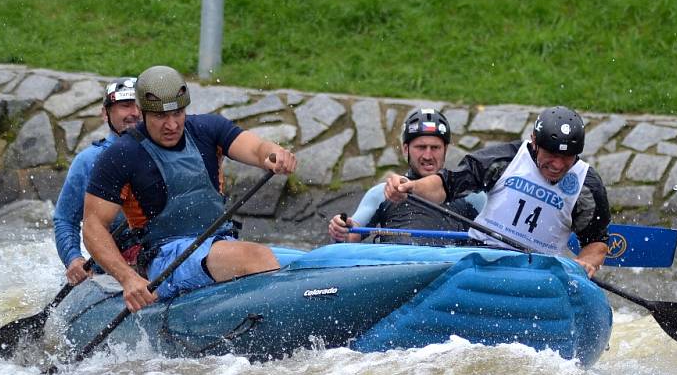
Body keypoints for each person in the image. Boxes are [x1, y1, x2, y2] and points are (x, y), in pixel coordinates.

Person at [83, 65, 297, 312]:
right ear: (141, 112)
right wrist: (128, 278)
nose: (172, 125)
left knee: (307, 263)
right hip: (165, 258)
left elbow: (257, 149)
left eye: (178, 113)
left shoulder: (208, 128)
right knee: (256, 258)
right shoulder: (120, 155)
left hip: (218, 244)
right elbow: (92, 226)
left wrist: (274, 154)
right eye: (161, 116)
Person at [384, 106, 610, 277]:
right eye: (551, 154)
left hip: (538, 272)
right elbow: (446, 185)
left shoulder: (588, 187)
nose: (558, 165)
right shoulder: (503, 160)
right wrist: (412, 187)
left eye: (566, 158)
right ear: (534, 142)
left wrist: (585, 263)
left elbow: (597, 241)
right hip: (483, 259)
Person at [328, 108, 485, 244]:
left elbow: (497, 238)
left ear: (445, 150)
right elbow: (352, 235)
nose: (428, 155)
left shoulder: (471, 196)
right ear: (405, 149)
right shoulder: (382, 194)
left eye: (435, 147)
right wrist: (342, 230)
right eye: (421, 147)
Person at [53, 77, 141, 285]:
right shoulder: (88, 161)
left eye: (139, 106)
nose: (135, 113)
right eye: (125, 106)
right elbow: (65, 219)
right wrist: (73, 259)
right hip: (110, 273)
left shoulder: (164, 152)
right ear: (105, 113)